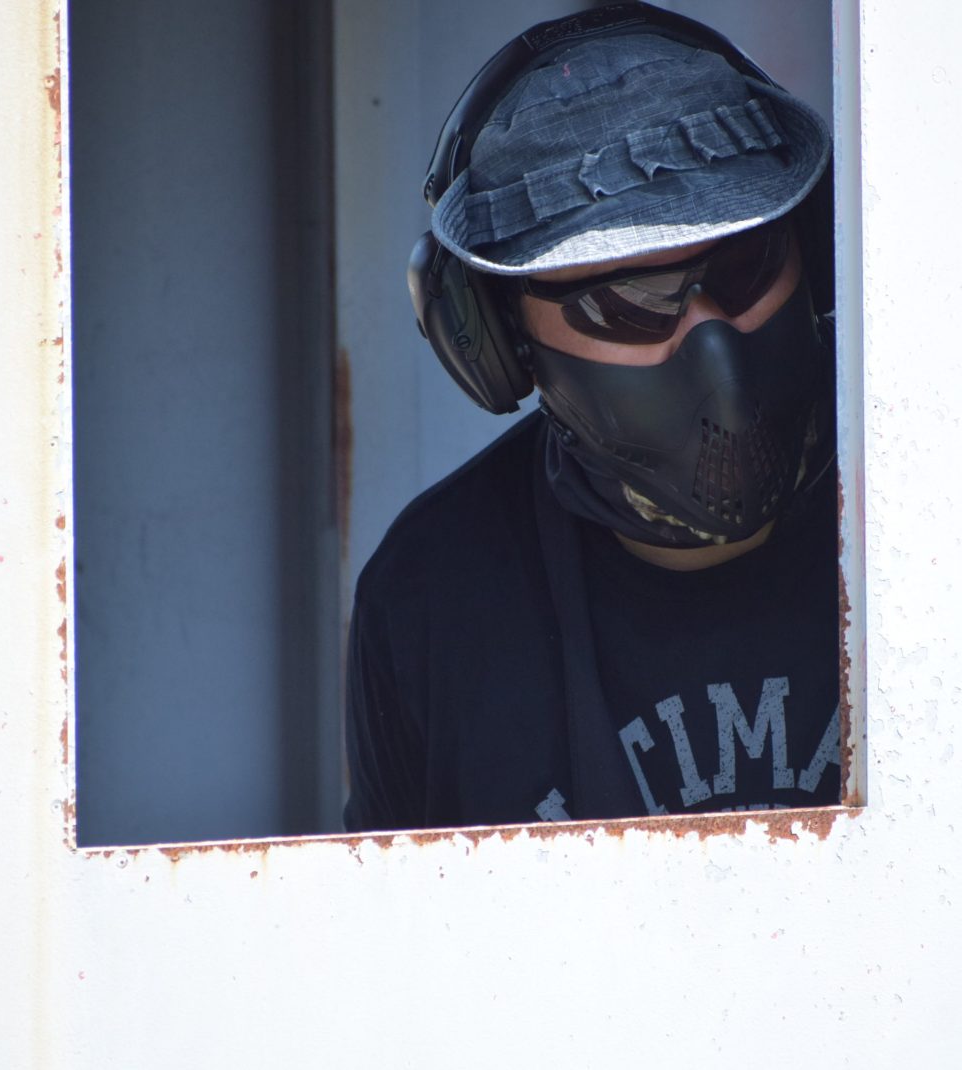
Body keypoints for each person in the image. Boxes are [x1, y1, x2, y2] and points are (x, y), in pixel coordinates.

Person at [343, 3, 843, 832]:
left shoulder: (943, 509)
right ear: (503, 339)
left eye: (746, 265)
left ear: (815, 251)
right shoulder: (432, 596)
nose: (710, 343)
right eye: (626, 304)